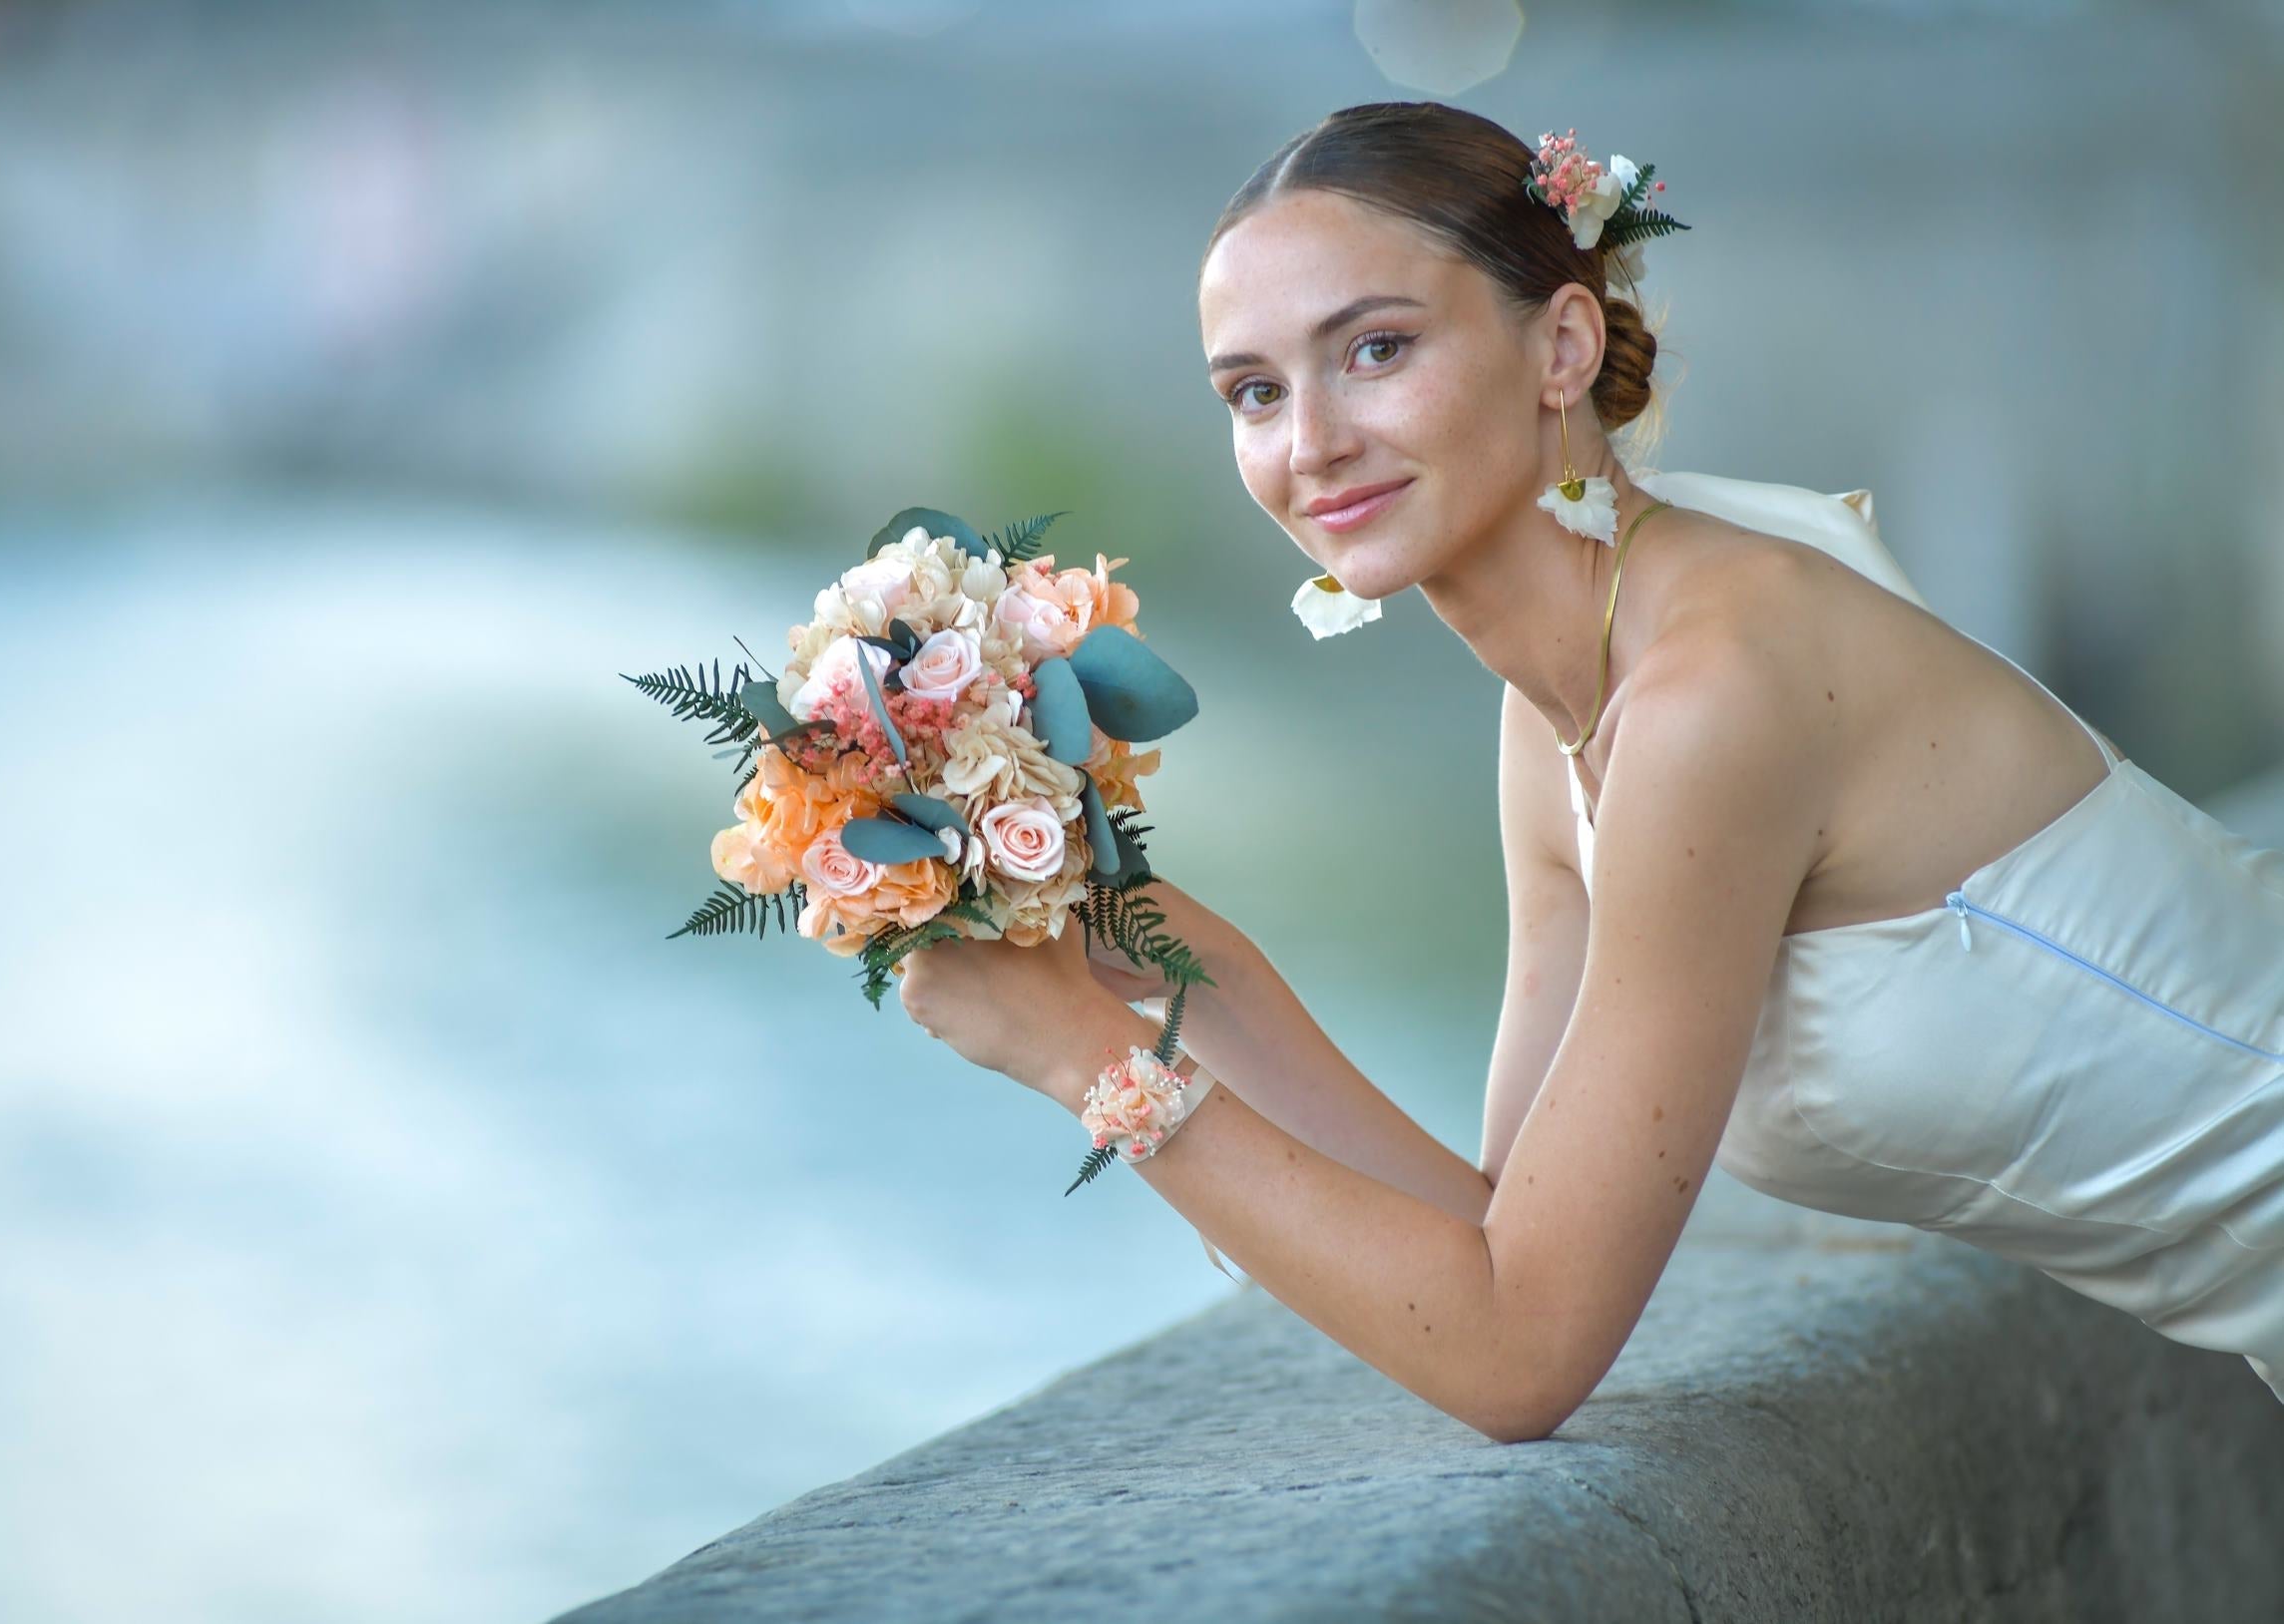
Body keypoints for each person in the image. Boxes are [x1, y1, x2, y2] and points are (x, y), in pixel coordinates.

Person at [890, 100, 2284, 1441]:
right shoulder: (1565, 706)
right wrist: (1197, 975)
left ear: (1560, 345)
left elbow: (1519, 1353)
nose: (1307, 443)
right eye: (1254, 391)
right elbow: (1497, 1240)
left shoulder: (1711, 688)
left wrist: (1081, 1057)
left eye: (1373, 349)